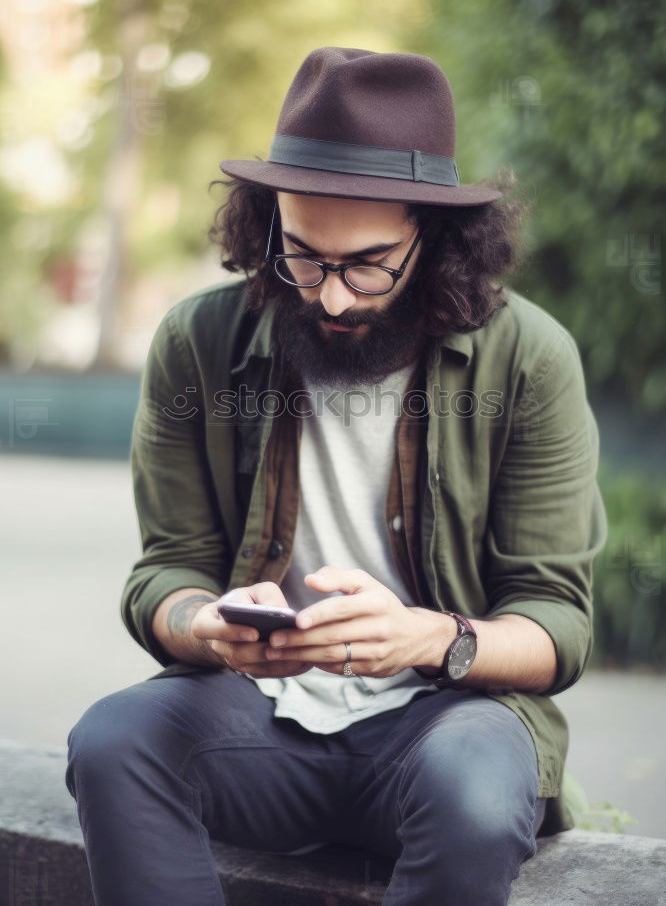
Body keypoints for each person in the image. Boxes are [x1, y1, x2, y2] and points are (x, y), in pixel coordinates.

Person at [65, 46, 608, 906]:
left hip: (446, 730)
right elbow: (164, 573)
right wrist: (203, 625)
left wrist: (428, 638)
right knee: (114, 741)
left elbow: (557, 624)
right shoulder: (196, 344)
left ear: (436, 239)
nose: (333, 297)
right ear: (267, 223)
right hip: (256, 725)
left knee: (471, 792)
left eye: (367, 263)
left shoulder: (530, 359)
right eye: (304, 256)